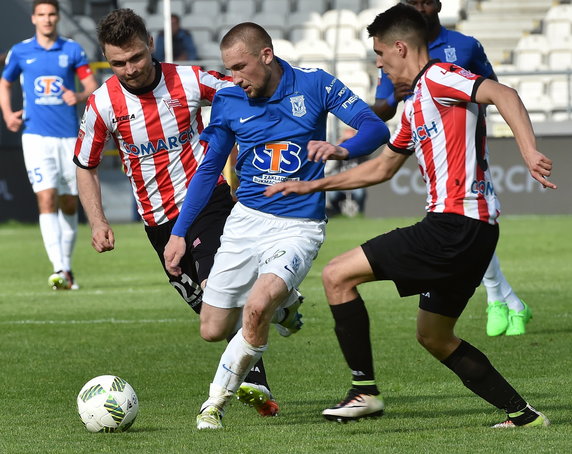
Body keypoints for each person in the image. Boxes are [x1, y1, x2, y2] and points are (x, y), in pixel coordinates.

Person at [266, 4, 555, 428]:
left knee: (336, 275)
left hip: (453, 225)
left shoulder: (439, 78)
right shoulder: (416, 103)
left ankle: (363, 391)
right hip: (473, 233)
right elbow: (382, 168)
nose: (380, 66)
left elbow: (503, 93)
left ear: (401, 48)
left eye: (381, 57)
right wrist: (315, 183)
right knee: (435, 337)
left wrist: (528, 150)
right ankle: (523, 415)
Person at [162, 22, 390, 430]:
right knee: (212, 329)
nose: (234, 78)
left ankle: (214, 403)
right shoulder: (230, 101)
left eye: (240, 66)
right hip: (246, 220)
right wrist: (179, 232)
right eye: (228, 69)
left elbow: (376, 127)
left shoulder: (316, 85)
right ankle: (288, 305)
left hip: (298, 225)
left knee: (256, 305)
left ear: (266, 55)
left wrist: (342, 148)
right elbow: (209, 168)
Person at [73, 8, 287, 419]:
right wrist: (98, 221)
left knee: (216, 290)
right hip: (157, 223)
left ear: (150, 45)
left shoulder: (188, 79)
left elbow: (245, 89)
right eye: (118, 62)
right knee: (211, 314)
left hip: (206, 201)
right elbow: (85, 163)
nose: (130, 69)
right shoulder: (102, 104)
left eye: (136, 57)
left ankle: (254, 382)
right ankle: (277, 312)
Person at [372, 0, 531, 337]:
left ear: (437, 4)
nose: (420, 8)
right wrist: (395, 96)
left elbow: (493, 88)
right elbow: (383, 108)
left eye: (424, 2)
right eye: (412, 3)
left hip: (463, 145)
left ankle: (497, 300)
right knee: (463, 218)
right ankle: (506, 299)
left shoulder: (464, 46)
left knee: (465, 216)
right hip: (425, 140)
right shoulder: (397, 53)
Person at [0, 0, 98, 290]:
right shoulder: (20, 51)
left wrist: (79, 96)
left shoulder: (72, 49)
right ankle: (61, 269)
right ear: (33, 18)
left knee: (69, 201)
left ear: (57, 18)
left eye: (52, 14)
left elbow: (91, 84)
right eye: (41, 14)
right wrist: (7, 114)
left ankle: (66, 268)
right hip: (36, 137)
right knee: (46, 198)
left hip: (69, 136)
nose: (47, 19)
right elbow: (5, 83)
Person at [325, 128, 368, 217]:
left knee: (360, 193)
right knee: (332, 195)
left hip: (356, 181)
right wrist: (338, 145)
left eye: (351, 140)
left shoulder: (362, 152)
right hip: (342, 182)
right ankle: (337, 214)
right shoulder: (338, 152)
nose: (348, 143)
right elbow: (328, 168)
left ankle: (361, 214)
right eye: (346, 140)